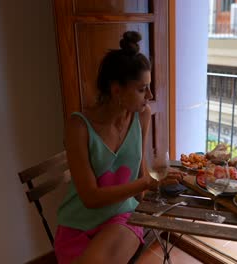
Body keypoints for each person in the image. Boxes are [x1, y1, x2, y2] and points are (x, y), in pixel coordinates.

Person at [54, 31, 184, 264]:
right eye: (142, 89)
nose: (151, 96)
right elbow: (90, 198)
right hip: (77, 224)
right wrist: (146, 182)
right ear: (116, 90)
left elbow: (138, 170)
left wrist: (148, 204)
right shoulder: (79, 126)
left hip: (122, 216)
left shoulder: (141, 115)